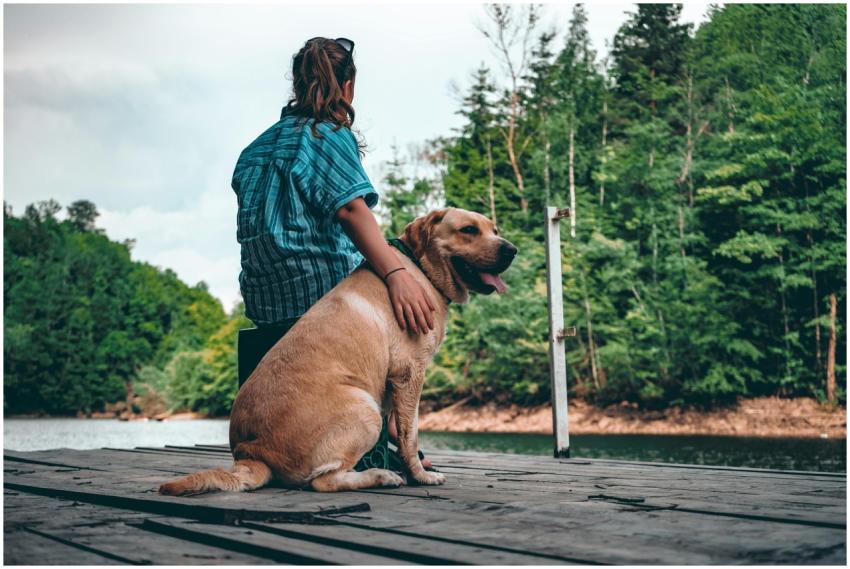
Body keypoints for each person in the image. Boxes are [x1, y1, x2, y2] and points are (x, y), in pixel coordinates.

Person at [232, 37, 433, 471]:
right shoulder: (328, 135)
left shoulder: (254, 150)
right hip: (321, 307)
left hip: (267, 311)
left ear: (298, 83)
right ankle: (395, 437)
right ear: (348, 85)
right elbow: (351, 208)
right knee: (411, 306)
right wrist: (397, 274)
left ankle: (394, 433)